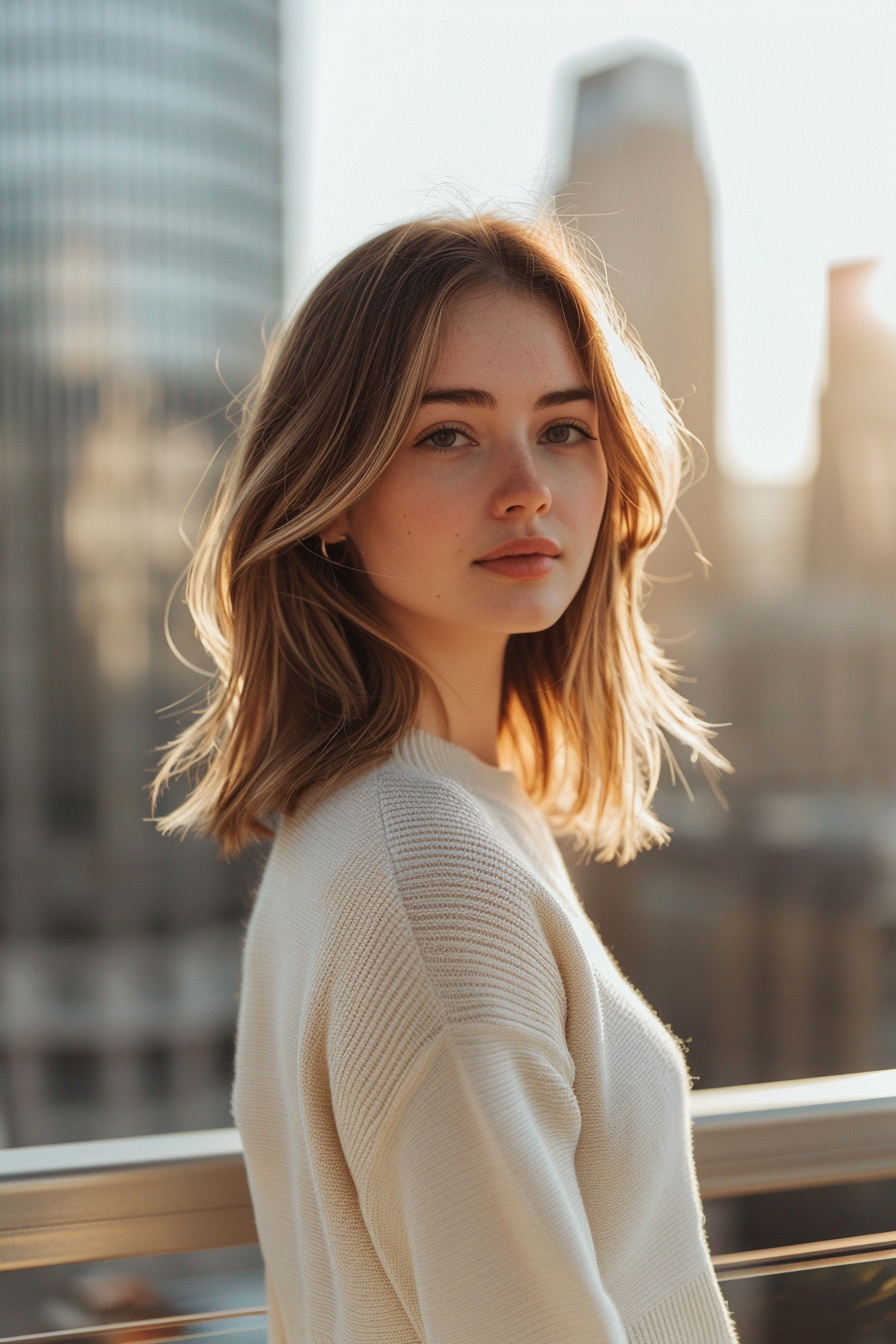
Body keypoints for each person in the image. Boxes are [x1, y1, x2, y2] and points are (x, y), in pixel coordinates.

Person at [154, 213, 737, 1343]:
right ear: (328, 498)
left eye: (563, 428)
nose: (526, 487)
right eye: (446, 437)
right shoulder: (428, 873)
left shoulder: (406, 813)